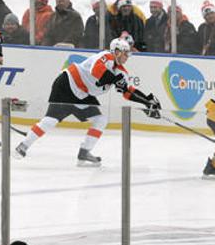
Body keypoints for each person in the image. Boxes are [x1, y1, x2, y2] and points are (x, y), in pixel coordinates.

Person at [14, 38, 161, 166]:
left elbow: (127, 91)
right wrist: (114, 80)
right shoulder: (106, 56)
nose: (127, 56)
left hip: (83, 95)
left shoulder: (121, 71)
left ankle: (84, 152)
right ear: (116, 51)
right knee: (51, 120)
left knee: (100, 119)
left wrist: (146, 102)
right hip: (68, 84)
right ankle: (23, 146)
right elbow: (96, 71)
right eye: (125, 53)